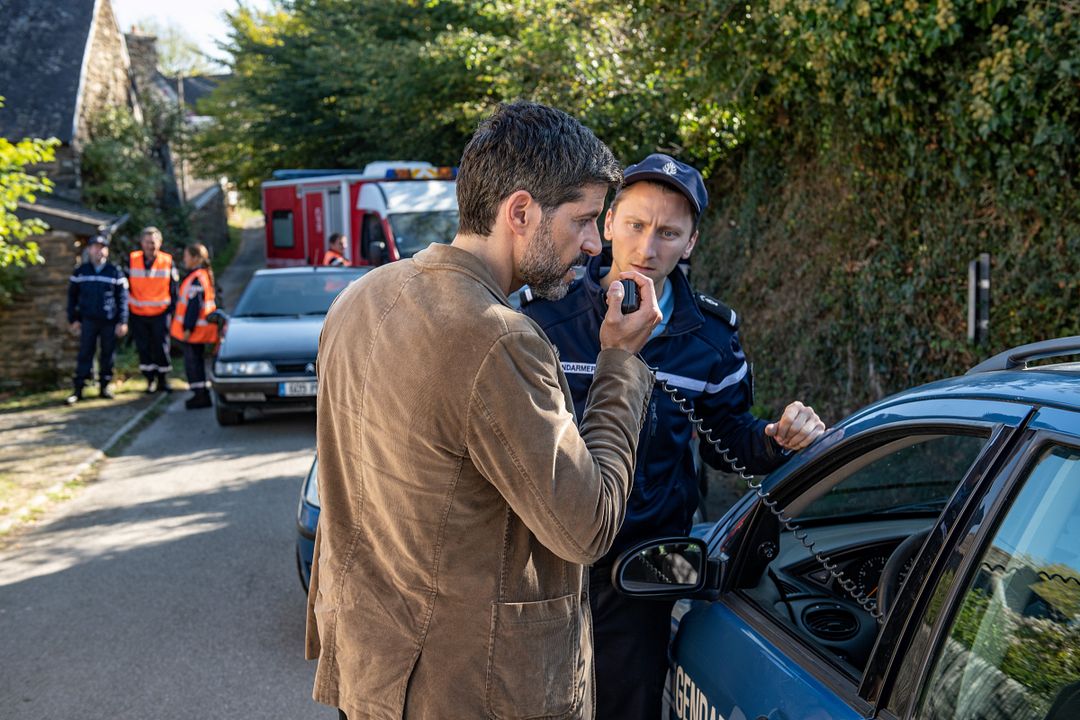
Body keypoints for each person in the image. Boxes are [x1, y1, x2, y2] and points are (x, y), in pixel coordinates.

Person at [306, 101, 663, 720]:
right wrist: (621, 362)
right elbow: (587, 527)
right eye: (583, 219)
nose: (593, 242)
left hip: (372, 675)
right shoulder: (499, 337)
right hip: (474, 690)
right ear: (520, 211)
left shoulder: (359, 298)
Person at [522, 153, 826, 719]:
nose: (647, 247)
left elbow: (726, 443)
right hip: (546, 553)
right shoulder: (544, 315)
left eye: (668, 233)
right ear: (608, 223)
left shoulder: (712, 337)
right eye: (635, 225)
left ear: (689, 244)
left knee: (629, 702)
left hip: (648, 560)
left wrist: (779, 438)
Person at [66, 235, 128, 404]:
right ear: (89, 250)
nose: (98, 251)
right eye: (95, 247)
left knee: (107, 355)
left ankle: (104, 387)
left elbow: (122, 299)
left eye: (102, 247)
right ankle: (79, 389)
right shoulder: (81, 271)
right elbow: (72, 298)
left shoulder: (114, 272)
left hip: (109, 321)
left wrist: (122, 321)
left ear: (106, 251)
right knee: (85, 353)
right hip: (88, 320)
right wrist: (73, 319)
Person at [126, 226, 178, 393]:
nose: (151, 246)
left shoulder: (168, 261)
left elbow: (174, 288)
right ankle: (149, 380)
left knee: (161, 347)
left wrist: (172, 310)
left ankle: (163, 380)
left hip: (161, 314)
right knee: (143, 348)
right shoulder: (132, 259)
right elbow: (124, 287)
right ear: (142, 243)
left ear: (160, 243)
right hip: (138, 314)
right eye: (148, 242)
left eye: (154, 242)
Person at [170, 243, 218, 410]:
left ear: (195, 258)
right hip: (198, 330)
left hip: (194, 331)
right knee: (195, 362)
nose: (184, 259)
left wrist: (187, 328)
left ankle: (200, 395)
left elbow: (193, 306)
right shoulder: (201, 275)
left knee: (193, 364)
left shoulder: (197, 277)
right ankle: (200, 393)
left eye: (186, 256)